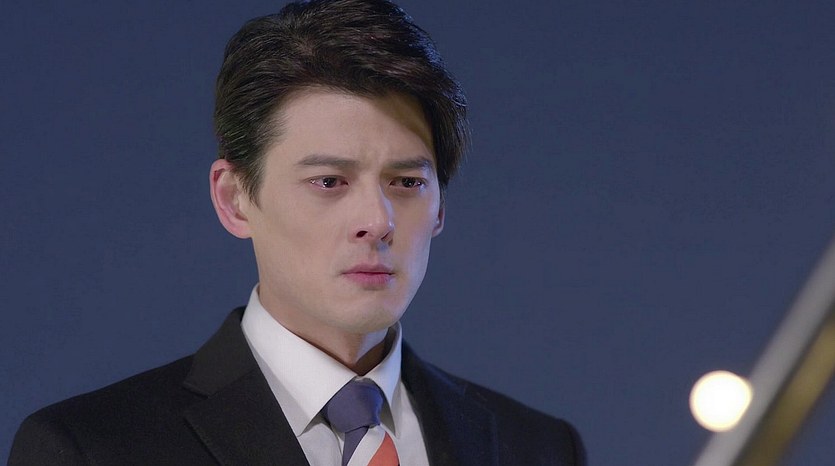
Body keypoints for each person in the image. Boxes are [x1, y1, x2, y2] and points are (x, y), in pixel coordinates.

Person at [9, 0, 585, 464]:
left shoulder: (537, 447)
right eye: (329, 181)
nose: (378, 220)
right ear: (234, 199)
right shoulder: (91, 450)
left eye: (407, 182)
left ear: (440, 208)